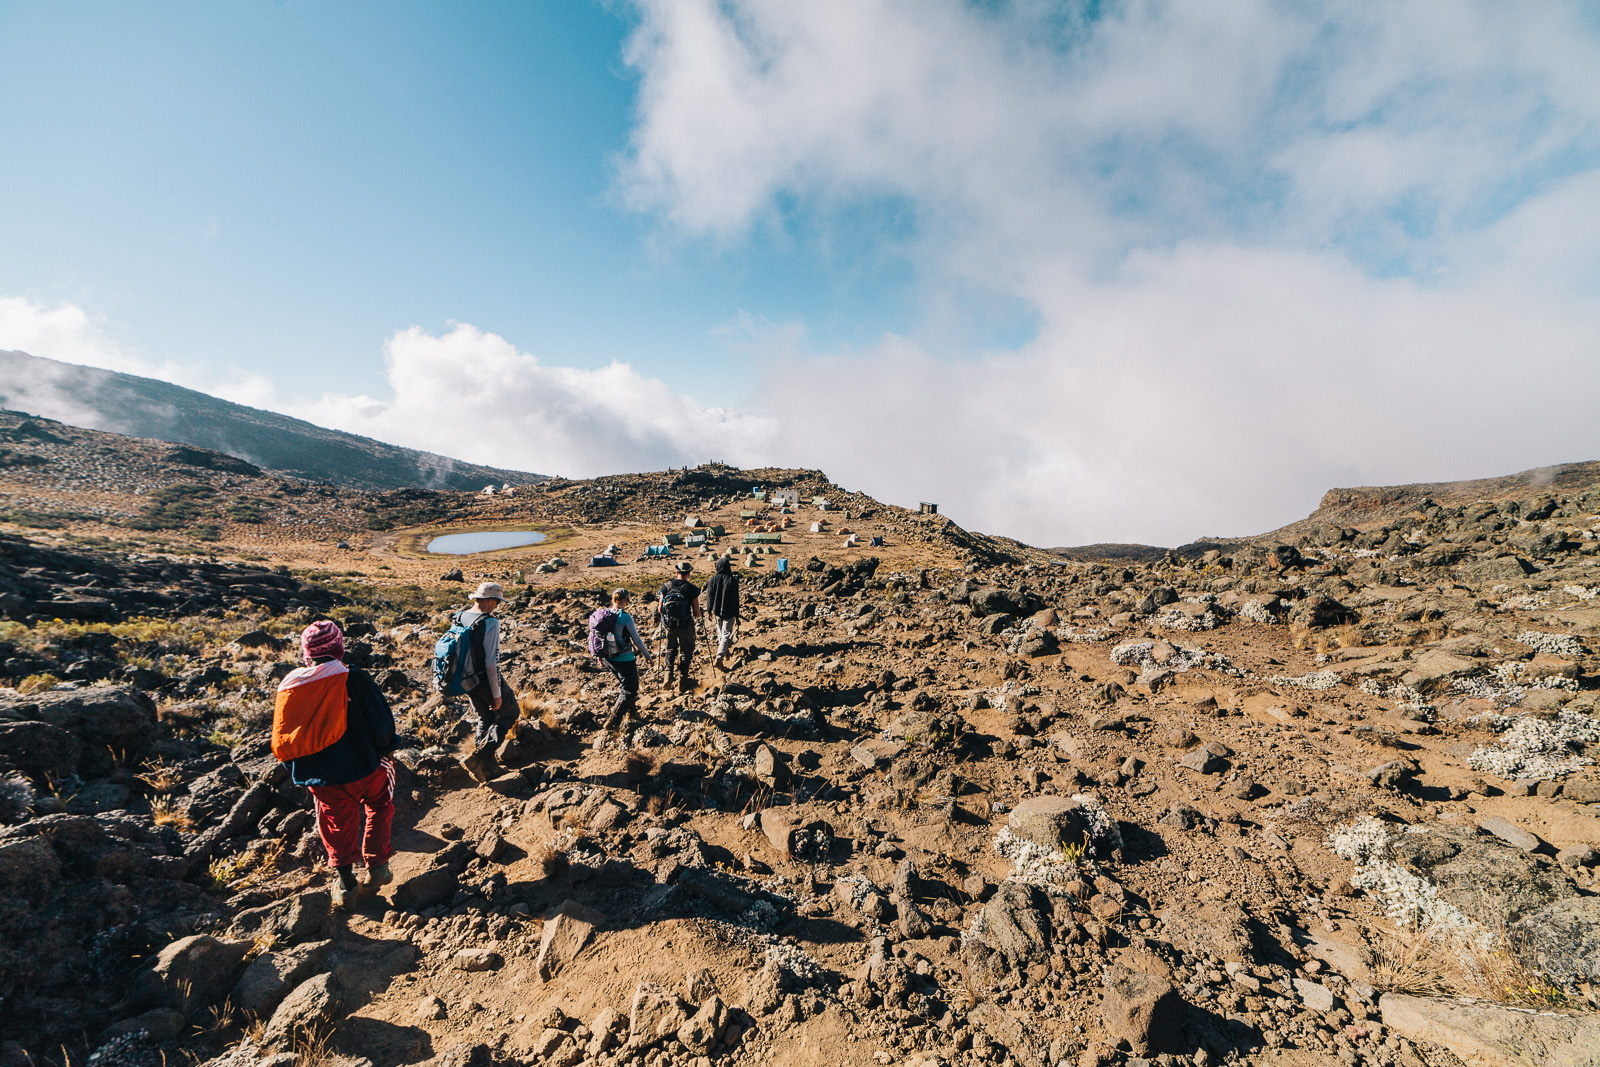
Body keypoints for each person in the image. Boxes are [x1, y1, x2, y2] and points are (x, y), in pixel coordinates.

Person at [273, 620, 397, 910]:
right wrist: (388, 751)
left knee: (335, 824)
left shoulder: (292, 686)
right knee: (380, 805)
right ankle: (378, 867)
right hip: (366, 767)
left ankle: (346, 884)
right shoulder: (354, 678)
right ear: (340, 648)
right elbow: (382, 726)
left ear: (307, 653)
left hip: (322, 779)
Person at [455, 581, 521, 783]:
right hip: (483, 678)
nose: (497, 606)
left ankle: (486, 768)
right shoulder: (489, 623)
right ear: (490, 600)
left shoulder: (459, 616)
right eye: (497, 602)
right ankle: (479, 757)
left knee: (486, 716)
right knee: (510, 713)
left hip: (464, 679)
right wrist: (497, 694)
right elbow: (491, 663)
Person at [598, 587, 652, 726]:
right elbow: (637, 640)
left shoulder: (603, 614)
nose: (628, 603)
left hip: (608, 658)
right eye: (627, 600)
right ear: (623, 600)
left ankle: (632, 714)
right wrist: (647, 656)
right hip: (624, 658)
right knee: (630, 689)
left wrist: (599, 656)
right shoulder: (624, 617)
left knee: (626, 685)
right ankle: (612, 721)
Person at [657, 560, 703, 693]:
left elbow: (660, 609)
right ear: (689, 573)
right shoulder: (692, 589)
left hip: (669, 625)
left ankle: (667, 676)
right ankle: (682, 681)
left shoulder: (666, 587)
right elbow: (696, 613)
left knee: (670, 649)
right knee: (685, 652)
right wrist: (701, 612)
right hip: (685, 625)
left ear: (676, 572)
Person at [704, 555, 743, 670]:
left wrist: (709, 610)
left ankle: (725, 653)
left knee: (721, 633)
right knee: (725, 634)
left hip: (716, 611)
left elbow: (709, 597)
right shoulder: (732, 580)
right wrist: (737, 615)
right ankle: (719, 658)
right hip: (729, 611)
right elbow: (736, 599)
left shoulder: (713, 579)